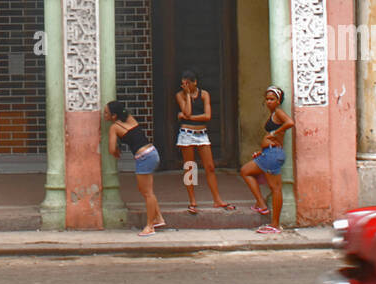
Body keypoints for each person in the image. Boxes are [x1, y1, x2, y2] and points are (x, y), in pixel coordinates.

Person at [175, 71, 237, 214]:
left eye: (188, 83)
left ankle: (217, 199)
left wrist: (185, 117)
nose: (186, 86)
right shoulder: (180, 95)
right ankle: (192, 201)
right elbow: (188, 112)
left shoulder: (204, 94)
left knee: (210, 167)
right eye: (183, 83)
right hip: (187, 134)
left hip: (202, 133)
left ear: (195, 82)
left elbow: (207, 116)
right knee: (190, 167)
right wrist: (188, 97)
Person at [104, 100, 165, 235]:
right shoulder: (130, 118)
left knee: (148, 192)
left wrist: (116, 152)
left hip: (144, 156)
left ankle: (150, 226)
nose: (104, 115)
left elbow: (111, 148)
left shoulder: (114, 127)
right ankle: (158, 218)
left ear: (114, 116)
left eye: (106, 113)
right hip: (152, 152)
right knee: (145, 190)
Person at [240, 86, 294, 233]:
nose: (269, 102)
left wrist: (277, 131)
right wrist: (262, 150)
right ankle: (261, 204)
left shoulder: (279, 113)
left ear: (278, 101)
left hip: (274, 155)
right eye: (267, 99)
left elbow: (290, 122)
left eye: (272, 99)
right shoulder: (273, 114)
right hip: (268, 154)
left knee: (276, 188)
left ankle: (275, 224)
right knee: (246, 171)